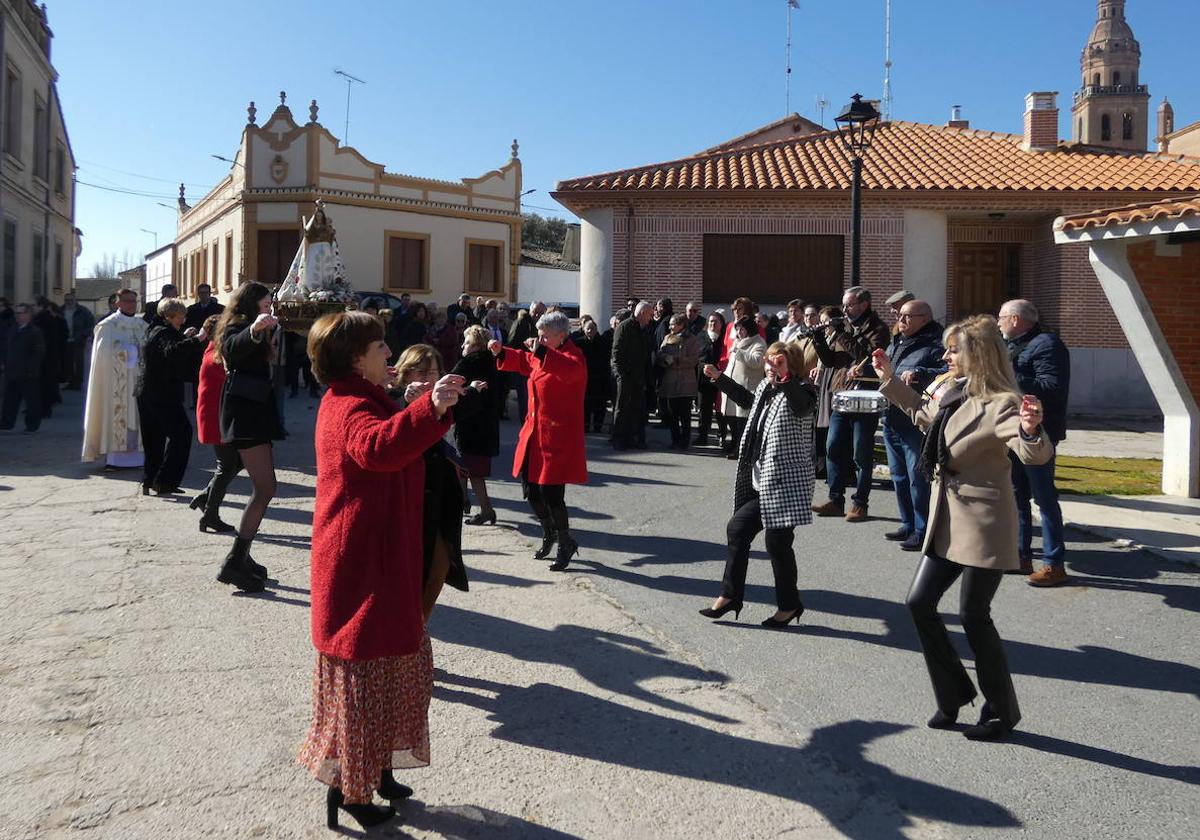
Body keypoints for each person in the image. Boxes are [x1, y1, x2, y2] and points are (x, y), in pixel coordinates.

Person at [298, 311, 463, 830]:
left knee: (401, 670)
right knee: (365, 685)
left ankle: (379, 765)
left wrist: (423, 407)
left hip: (380, 559)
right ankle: (350, 789)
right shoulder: (348, 405)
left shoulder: (363, 397)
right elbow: (378, 447)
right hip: (361, 568)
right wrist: (428, 408)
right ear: (355, 357)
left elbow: (391, 435)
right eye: (379, 346)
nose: (389, 354)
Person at [871, 314, 1050, 741]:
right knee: (919, 602)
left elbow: (1032, 455)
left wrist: (1031, 430)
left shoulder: (1004, 401)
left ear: (978, 354)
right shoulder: (955, 393)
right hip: (947, 517)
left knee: (973, 615)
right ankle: (952, 693)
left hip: (984, 523)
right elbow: (923, 415)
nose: (945, 355)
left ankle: (1000, 711)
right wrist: (891, 379)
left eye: (954, 350)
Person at [700, 341, 817, 626]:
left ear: (792, 364)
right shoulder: (767, 389)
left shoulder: (803, 391)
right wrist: (720, 379)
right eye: (768, 362)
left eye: (777, 362)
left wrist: (786, 380)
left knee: (777, 543)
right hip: (761, 479)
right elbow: (747, 401)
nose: (769, 367)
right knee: (738, 529)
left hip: (785, 482)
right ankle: (730, 597)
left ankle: (789, 606)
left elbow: (800, 408)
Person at [490, 310, 588, 570]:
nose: (540, 340)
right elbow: (524, 360)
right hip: (534, 434)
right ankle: (549, 532)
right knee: (531, 490)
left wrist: (542, 352)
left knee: (552, 493)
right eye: (539, 336)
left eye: (545, 337)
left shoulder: (573, 357)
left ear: (561, 336)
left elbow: (570, 371)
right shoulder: (544, 352)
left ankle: (565, 540)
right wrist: (501, 352)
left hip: (557, 437)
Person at [210, 282, 285, 591]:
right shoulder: (238, 327)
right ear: (251, 304)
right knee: (265, 488)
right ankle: (235, 560)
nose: (269, 306)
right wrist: (255, 330)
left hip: (253, 413)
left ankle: (242, 555)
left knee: (264, 487)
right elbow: (233, 346)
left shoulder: (258, 323)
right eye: (265, 302)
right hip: (245, 416)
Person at [394, 344, 474, 617]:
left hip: (441, 495)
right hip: (409, 500)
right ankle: (412, 637)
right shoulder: (393, 401)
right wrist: (408, 404)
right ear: (405, 374)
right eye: (422, 372)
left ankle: (419, 631)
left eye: (435, 372)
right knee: (414, 571)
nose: (430, 379)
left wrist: (472, 387)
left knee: (440, 564)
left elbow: (467, 406)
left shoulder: (444, 398)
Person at [999, 299, 1071, 586]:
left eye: (1001, 317)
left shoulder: (1047, 345)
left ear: (1016, 320)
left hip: (1040, 433)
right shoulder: (1012, 345)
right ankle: (1020, 555)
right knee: (1016, 495)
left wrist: (1006, 375)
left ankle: (1054, 564)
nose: (998, 322)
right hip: (1013, 431)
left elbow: (1051, 388)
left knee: (1044, 498)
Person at [811, 286, 890, 521]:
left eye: (850, 304)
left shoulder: (878, 329)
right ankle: (836, 499)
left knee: (861, 453)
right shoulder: (843, 326)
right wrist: (818, 338)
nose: (844, 309)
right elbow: (831, 360)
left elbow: (864, 355)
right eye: (844, 304)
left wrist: (842, 334)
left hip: (864, 397)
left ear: (864, 305)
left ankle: (860, 503)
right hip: (841, 394)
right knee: (833, 446)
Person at [882, 300, 946, 551]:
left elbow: (946, 371)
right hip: (892, 416)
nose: (902, 321)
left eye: (908, 316)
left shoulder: (936, 343)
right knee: (898, 476)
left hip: (915, 418)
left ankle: (923, 529)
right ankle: (908, 523)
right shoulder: (897, 341)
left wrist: (919, 371)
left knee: (917, 478)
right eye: (900, 316)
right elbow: (889, 370)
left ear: (924, 318)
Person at [189, 315, 256, 543]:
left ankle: (205, 499)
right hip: (217, 418)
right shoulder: (218, 355)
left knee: (235, 463)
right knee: (227, 465)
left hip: (217, 417)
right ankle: (210, 515)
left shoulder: (213, 350)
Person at [135, 298, 206, 495]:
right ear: (168, 316)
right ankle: (165, 481)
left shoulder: (152, 329)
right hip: (162, 393)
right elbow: (172, 351)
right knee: (182, 434)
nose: (182, 321)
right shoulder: (164, 333)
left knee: (153, 439)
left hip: (146, 392)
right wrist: (197, 339)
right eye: (179, 318)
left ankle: (150, 480)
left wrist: (182, 336)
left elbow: (164, 349)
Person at [83, 289, 149, 469]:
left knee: (139, 416)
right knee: (117, 415)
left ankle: (140, 457)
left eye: (134, 301)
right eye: (127, 301)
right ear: (117, 303)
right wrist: (126, 351)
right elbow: (102, 354)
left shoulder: (142, 325)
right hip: (115, 384)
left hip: (138, 381)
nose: (131, 304)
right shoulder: (107, 326)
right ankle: (115, 459)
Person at [453, 325, 502, 525]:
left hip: (472, 424)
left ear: (475, 345)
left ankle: (486, 509)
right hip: (484, 424)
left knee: (473, 471)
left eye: (467, 342)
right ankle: (464, 500)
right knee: (466, 467)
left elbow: (450, 381)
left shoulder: (470, 364)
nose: (463, 345)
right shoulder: (491, 362)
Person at [722, 316, 767, 459]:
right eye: (737, 329)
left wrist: (739, 352)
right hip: (731, 386)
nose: (739, 332)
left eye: (742, 329)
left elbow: (758, 362)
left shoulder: (758, 343)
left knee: (742, 422)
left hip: (746, 387)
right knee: (732, 419)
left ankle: (741, 450)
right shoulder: (737, 342)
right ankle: (734, 443)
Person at [610, 301, 653, 450]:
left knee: (636, 408)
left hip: (638, 375)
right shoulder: (625, 327)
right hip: (625, 375)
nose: (651, 317)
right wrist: (621, 373)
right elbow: (616, 352)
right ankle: (618, 439)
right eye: (649, 314)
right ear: (641, 313)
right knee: (621, 407)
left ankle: (633, 438)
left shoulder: (644, 328)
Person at [657, 313, 701, 450]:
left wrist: (676, 360)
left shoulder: (692, 339)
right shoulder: (667, 338)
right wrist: (665, 359)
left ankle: (684, 442)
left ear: (681, 325)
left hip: (686, 382)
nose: (670, 327)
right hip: (671, 381)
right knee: (672, 414)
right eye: (670, 324)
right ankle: (675, 440)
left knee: (685, 415)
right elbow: (660, 354)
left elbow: (694, 359)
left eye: (673, 324)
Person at [0, 304, 45, 432]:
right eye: (16, 313)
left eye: (20, 313)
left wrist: (31, 369)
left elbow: (38, 353)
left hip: (28, 373)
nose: (17, 316)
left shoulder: (34, 332)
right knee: (9, 400)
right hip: (12, 371)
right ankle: (7, 423)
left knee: (31, 401)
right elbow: (5, 348)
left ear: (28, 315)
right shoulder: (11, 330)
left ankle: (32, 425)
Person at [694, 311, 728, 448]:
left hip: (721, 378)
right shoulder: (701, 337)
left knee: (721, 410)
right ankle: (703, 436)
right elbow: (696, 357)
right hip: (704, 379)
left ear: (721, 324)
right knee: (704, 408)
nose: (713, 324)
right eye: (711, 321)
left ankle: (723, 436)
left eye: (716, 321)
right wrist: (703, 366)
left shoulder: (724, 338)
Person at [506, 301, 544, 423]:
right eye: (535, 312)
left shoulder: (539, 325)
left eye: (540, 313)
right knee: (524, 396)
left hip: (535, 365)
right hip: (522, 364)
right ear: (530, 310)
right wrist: (526, 347)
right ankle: (526, 423)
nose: (537, 315)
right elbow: (511, 342)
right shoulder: (521, 322)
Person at [577, 318, 612, 433]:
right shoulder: (579, 343)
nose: (590, 331)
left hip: (600, 378)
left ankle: (598, 427)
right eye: (588, 329)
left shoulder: (603, 342)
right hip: (585, 378)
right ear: (584, 329)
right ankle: (585, 427)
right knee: (585, 405)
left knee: (600, 406)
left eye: (592, 329)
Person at [32, 299, 66, 418]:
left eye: (35, 305)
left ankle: (45, 409)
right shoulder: (42, 319)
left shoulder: (44, 320)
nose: (33, 308)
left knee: (44, 385)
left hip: (46, 357)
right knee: (44, 384)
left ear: (41, 307)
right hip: (48, 357)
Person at [61, 292, 95, 390]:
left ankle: (78, 383)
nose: (69, 302)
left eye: (71, 300)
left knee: (79, 361)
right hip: (65, 341)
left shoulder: (83, 311)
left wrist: (84, 335)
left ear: (75, 300)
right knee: (68, 362)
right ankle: (71, 382)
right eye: (67, 300)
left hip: (78, 340)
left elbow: (90, 323)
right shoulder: (61, 310)